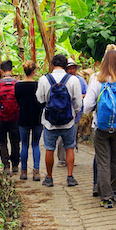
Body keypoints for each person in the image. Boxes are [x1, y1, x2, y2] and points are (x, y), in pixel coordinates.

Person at [84, 46, 116, 208]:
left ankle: (106, 197)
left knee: (103, 161)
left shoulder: (96, 79)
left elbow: (87, 107)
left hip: (99, 128)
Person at [36, 54, 83, 187]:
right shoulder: (73, 80)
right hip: (68, 121)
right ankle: (70, 177)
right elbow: (78, 103)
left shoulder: (44, 79)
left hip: (50, 122)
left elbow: (40, 99)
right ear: (65, 65)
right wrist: (73, 113)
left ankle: (49, 178)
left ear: (52, 64)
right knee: (69, 148)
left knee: (49, 149)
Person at [0, 60, 20, 175]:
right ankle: (15, 165)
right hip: (16, 118)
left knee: (2, 142)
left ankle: (6, 166)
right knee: (15, 141)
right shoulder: (18, 83)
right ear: (12, 70)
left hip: (0, 118)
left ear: (1, 71)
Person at [15, 60, 44, 181]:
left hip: (23, 118)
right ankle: (36, 171)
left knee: (25, 145)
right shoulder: (38, 85)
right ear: (34, 71)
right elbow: (43, 101)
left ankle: (23, 171)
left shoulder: (18, 85)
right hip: (37, 118)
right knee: (36, 144)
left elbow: (17, 100)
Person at [56, 58, 87, 166]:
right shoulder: (62, 80)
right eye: (70, 68)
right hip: (62, 112)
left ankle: (69, 159)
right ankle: (61, 159)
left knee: (72, 137)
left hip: (76, 113)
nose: (72, 70)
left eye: (73, 68)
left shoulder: (80, 80)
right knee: (61, 137)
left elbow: (86, 93)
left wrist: (80, 97)